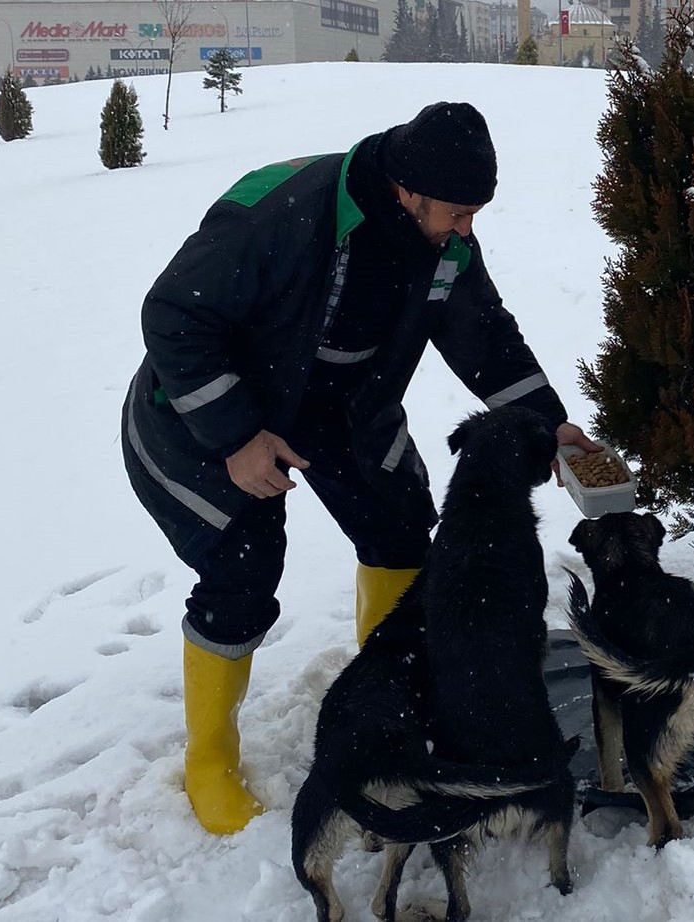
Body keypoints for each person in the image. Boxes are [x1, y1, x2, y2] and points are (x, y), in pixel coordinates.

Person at [121, 101, 601, 835]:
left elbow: (484, 337)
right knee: (241, 576)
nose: (467, 230)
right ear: (408, 190)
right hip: (217, 408)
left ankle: (394, 698)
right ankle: (208, 759)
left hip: (344, 405)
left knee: (404, 534)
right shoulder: (282, 213)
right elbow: (173, 315)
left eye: (477, 213)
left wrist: (548, 422)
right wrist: (236, 435)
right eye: (458, 212)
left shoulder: (442, 244)